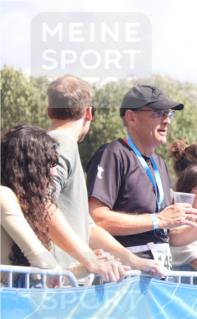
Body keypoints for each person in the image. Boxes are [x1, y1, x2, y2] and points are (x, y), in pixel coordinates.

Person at [47, 75, 163, 277]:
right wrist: (89, 259)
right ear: (89, 113)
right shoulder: (61, 144)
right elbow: (43, 207)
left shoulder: (59, 145)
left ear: (48, 111)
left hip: (63, 282)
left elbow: (88, 226)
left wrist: (136, 262)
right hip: (56, 283)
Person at [87, 84, 197, 267]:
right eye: (157, 113)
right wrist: (158, 219)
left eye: (168, 114)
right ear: (131, 118)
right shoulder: (113, 154)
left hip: (157, 276)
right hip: (124, 276)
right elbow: (97, 218)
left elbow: (167, 235)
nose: (166, 120)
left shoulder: (159, 163)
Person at [2, 124, 125, 283]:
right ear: (28, 167)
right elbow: (44, 264)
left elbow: (47, 278)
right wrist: (90, 262)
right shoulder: (3, 196)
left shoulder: (25, 205)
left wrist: (85, 268)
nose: (54, 172)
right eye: (49, 163)